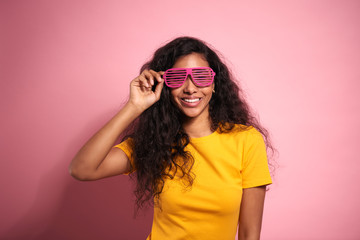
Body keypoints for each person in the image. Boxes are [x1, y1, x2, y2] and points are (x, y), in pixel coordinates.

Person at [69, 36, 274, 240]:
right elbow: (82, 169)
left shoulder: (246, 140)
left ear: (214, 84)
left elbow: (249, 234)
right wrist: (134, 106)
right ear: (165, 85)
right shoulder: (154, 141)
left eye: (201, 76)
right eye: (177, 78)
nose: (190, 88)